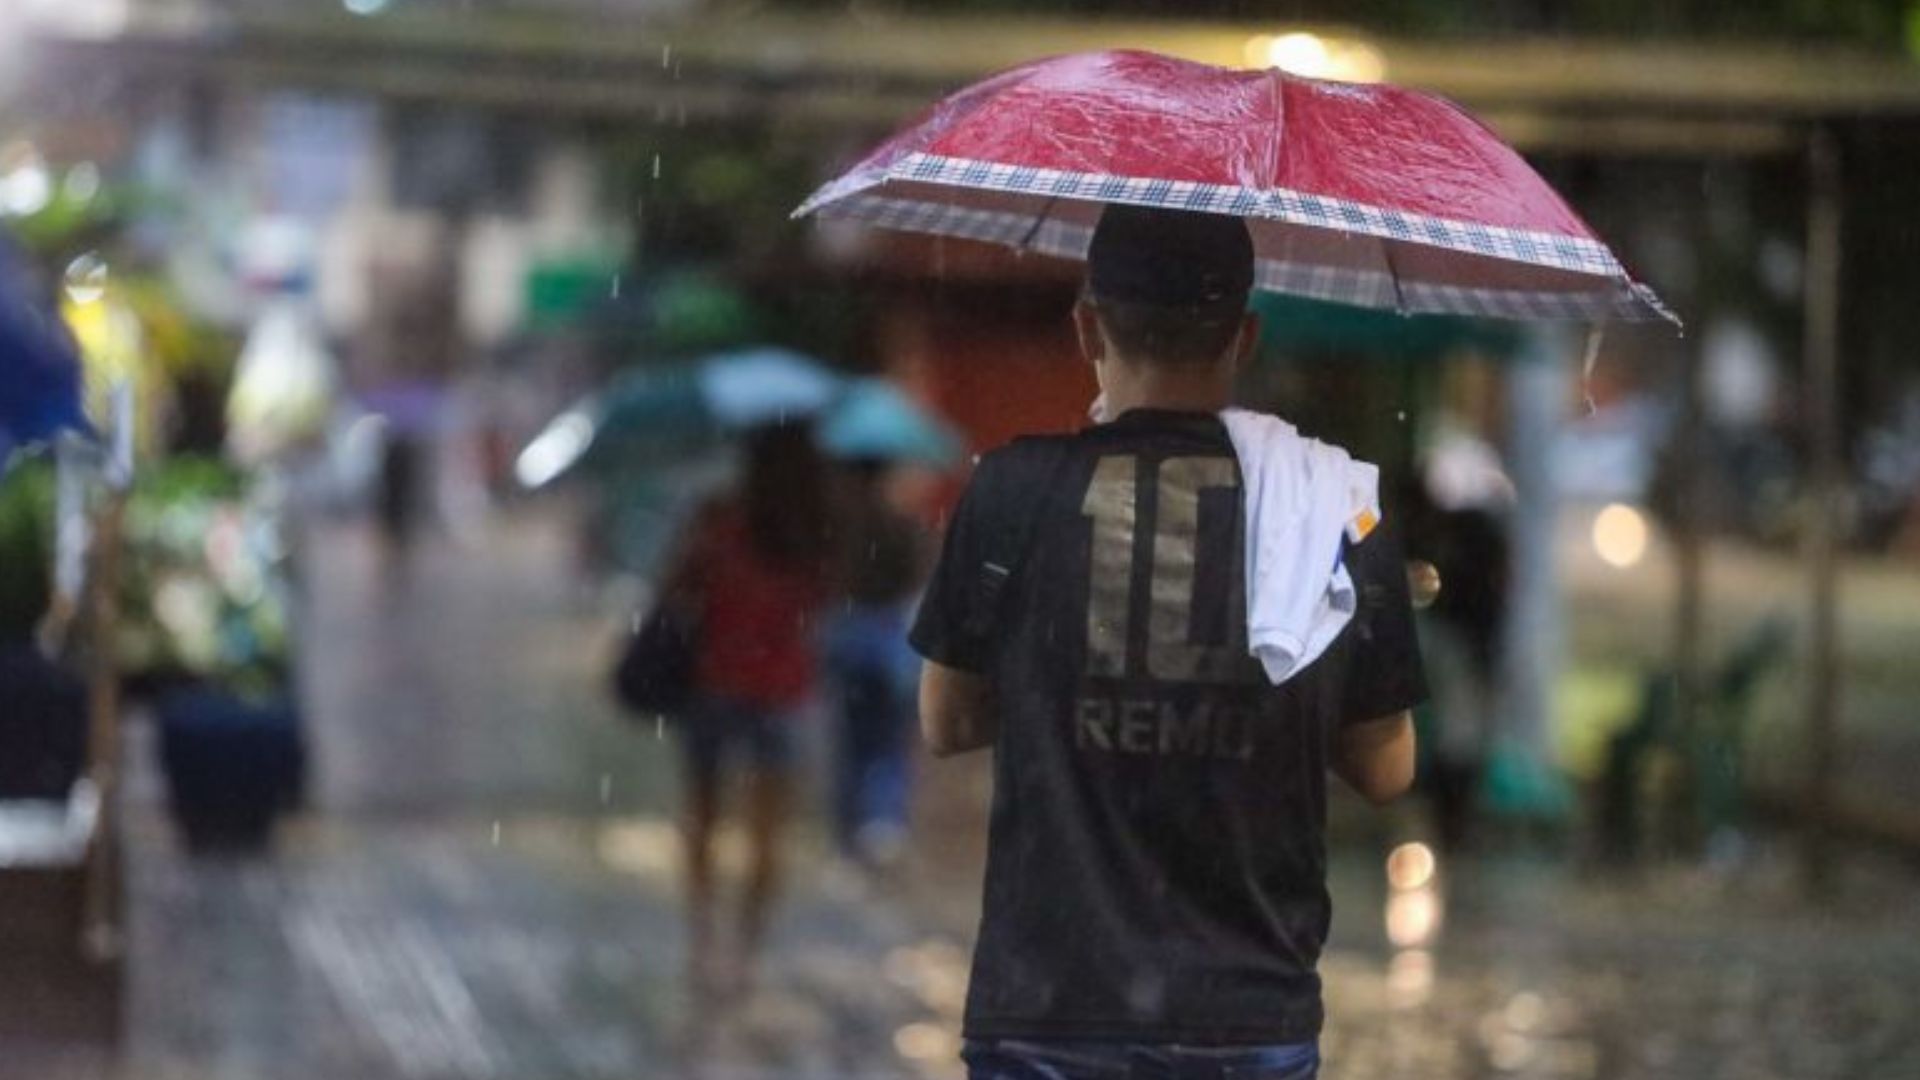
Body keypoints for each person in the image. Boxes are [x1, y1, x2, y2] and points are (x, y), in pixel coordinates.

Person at [909, 206, 1426, 1080]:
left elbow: (946, 722)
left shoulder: (1012, 492)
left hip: (1049, 1008)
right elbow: (1387, 770)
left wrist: (1065, 694)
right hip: (1245, 1013)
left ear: (1086, 326)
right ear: (1247, 336)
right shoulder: (1332, 514)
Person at [656, 420, 834, 998]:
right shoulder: (811, 531)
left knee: (702, 817)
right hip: (782, 692)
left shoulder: (719, 518)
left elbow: (676, 588)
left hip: (716, 685)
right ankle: (748, 953)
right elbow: (827, 602)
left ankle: (703, 940)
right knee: (767, 834)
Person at [823, 457, 927, 869]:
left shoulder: (838, 528)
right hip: (890, 643)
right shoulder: (905, 525)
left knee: (852, 739)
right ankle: (883, 821)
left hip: (849, 639)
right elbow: (918, 579)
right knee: (889, 740)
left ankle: (848, 831)